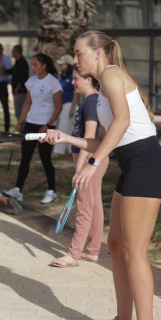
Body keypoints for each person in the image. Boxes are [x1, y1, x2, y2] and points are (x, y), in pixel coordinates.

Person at [43, 30, 161, 320]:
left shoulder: (113, 75)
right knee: (115, 244)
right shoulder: (99, 95)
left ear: (98, 54)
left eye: (79, 53)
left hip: (147, 164)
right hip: (132, 166)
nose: (75, 60)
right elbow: (102, 140)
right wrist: (66, 139)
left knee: (134, 250)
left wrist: (93, 163)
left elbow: (123, 122)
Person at [50, 69, 108, 267]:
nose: (73, 82)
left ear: (88, 80)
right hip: (91, 158)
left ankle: (73, 254)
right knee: (94, 203)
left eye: (76, 79)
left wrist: (81, 166)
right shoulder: (90, 101)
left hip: (90, 158)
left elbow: (89, 138)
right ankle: (92, 251)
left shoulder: (91, 102)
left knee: (84, 207)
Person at [4, 53, 62, 204]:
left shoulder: (53, 83)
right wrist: (20, 122)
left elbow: (58, 107)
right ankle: (18, 190)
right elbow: (27, 103)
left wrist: (48, 125)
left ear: (44, 66)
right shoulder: (31, 81)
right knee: (25, 157)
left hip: (46, 125)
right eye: (33, 64)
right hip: (31, 123)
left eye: (36, 64)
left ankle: (52, 191)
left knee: (45, 159)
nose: (33, 67)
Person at [53, 54, 77, 156]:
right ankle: (69, 149)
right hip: (62, 105)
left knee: (63, 127)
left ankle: (58, 151)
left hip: (68, 104)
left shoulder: (73, 76)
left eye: (62, 64)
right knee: (67, 127)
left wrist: (72, 107)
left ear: (68, 65)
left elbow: (76, 92)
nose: (61, 66)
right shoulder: (62, 76)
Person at [6, 45, 29, 123]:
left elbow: (23, 78)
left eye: (13, 51)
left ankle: (23, 132)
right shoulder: (17, 62)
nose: (12, 53)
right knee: (18, 114)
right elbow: (11, 71)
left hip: (20, 92)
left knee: (20, 114)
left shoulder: (23, 63)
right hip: (17, 91)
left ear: (17, 52)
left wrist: (17, 88)